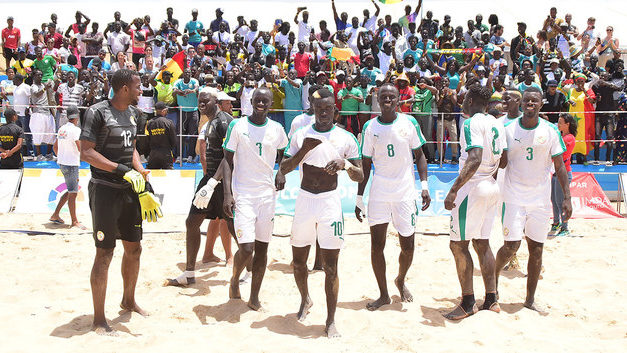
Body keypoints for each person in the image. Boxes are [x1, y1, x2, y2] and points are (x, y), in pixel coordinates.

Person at [80, 69, 162, 334]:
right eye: (139, 86)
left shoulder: (133, 114)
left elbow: (132, 148)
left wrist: (139, 170)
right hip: (105, 190)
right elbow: (86, 152)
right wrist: (120, 169)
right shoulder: (97, 112)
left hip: (130, 190)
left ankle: (128, 300)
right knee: (104, 253)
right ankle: (99, 320)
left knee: (134, 248)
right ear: (125, 88)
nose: (142, 90)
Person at [280, 88, 363, 338]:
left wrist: (344, 164)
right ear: (312, 110)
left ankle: (330, 320)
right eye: (319, 109)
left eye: (328, 109)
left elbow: (360, 174)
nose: (324, 113)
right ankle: (305, 299)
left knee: (331, 268)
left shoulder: (346, 138)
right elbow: (283, 168)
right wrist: (303, 150)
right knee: (298, 263)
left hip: (330, 203)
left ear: (335, 110)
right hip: (305, 200)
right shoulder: (301, 134)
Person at [495, 87, 572, 313]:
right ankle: (494, 284)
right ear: (521, 103)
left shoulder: (550, 130)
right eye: (526, 100)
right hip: (513, 196)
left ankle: (529, 300)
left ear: (541, 104)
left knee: (536, 249)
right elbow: (501, 161)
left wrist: (567, 197)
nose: (530, 103)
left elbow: (560, 166)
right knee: (511, 246)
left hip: (539, 199)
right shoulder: (508, 128)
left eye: (534, 101)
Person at [356, 83, 431, 310]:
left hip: (405, 192)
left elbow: (420, 156)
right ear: (377, 100)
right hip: (379, 192)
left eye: (392, 97)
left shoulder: (409, 123)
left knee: (407, 245)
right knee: (376, 245)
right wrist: (360, 197)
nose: (387, 100)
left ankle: (400, 279)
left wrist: (424, 186)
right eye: (383, 96)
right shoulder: (370, 127)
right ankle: (383, 294)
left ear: (399, 100)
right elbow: (366, 166)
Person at [442, 85, 507, 320]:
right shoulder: (497, 123)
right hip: (492, 185)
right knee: (483, 242)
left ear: (469, 99)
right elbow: (505, 159)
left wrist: (453, 190)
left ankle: (468, 302)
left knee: (458, 245)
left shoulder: (470, 123)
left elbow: (475, 158)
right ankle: (491, 298)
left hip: (474, 187)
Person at [221, 87, 288, 311]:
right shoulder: (237, 125)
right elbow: (227, 161)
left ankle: (254, 296)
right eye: (257, 100)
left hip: (267, 195)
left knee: (262, 249)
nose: (261, 103)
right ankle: (234, 279)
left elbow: (284, 154)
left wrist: (281, 172)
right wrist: (227, 193)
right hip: (243, 194)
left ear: (271, 104)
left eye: (265, 101)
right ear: (251, 101)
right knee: (247, 248)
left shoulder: (277, 129)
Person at [165, 88, 234, 287]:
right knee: (192, 222)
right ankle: (189, 273)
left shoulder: (223, 122)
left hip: (222, 181)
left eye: (206, 100)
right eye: (199, 101)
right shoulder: (210, 122)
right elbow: (205, 155)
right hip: (210, 179)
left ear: (216, 101)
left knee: (232, 226)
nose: (201, 103)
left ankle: (248, 270)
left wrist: (214, 183)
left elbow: (228, 158)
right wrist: (208, 181)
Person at [50, 106, 86, 229]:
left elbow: (55, 147)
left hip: (62, 162)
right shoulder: (76, 130)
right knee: (73, 192)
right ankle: (74, 221)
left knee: (71, 190)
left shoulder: (62, 129)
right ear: (76, 117)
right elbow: (81, 148)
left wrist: (61, 157)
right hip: (71, 164)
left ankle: (55, 214)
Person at [550, 113, 577, 236]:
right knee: (554, 200)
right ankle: (556, 223)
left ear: (567, 124)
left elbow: (561, 154)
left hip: (564, 172)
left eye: (561, 122)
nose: (558, 124)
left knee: (561, 201)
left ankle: (565, 227)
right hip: (556, 172)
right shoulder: (561, 136)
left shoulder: (569, 138)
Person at [173, 68, 199, 162]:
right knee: (180, 134)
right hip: (182, 111)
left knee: (193, 134)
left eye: (189, 73)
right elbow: (174, 91)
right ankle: (179, 156)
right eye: (185, 72)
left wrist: (191, 91)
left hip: (193, 111)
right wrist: (180, 92)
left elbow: (196, 88)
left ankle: (190, 155)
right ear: (183, 74)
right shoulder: (178, 82)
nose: (187, 74)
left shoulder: (194, 81)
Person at [29, 69, 56, 160]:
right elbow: (36, 94)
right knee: (38, 133)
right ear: (34, 76)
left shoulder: (44, 85)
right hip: (38, 113)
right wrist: (45, 88)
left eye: (41, 75)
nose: (40, 77)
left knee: (51, 132)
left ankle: (49, 154)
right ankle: (39, 155)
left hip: (47, 112)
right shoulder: (33, 86)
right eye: (38, 75)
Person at [146, 102, 176, 169]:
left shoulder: (149, 123)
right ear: (163, 111)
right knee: (169, 174)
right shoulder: (169, 123)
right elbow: (174, 140)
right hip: (166, 152)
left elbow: (147, 139)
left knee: (151, 175)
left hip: (153, 153)